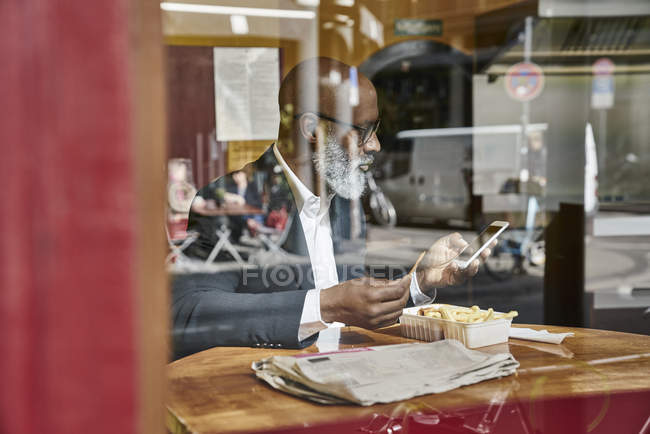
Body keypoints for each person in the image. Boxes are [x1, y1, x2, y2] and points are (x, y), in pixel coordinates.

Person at [172, 57, 492, 358]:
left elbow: (353, 307)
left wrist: (421, 281)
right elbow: (190, 310)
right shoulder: (236, 200)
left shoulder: (343, 200)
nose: (375, 145)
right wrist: (325, 306)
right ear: (312, 130)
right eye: (363, 131)